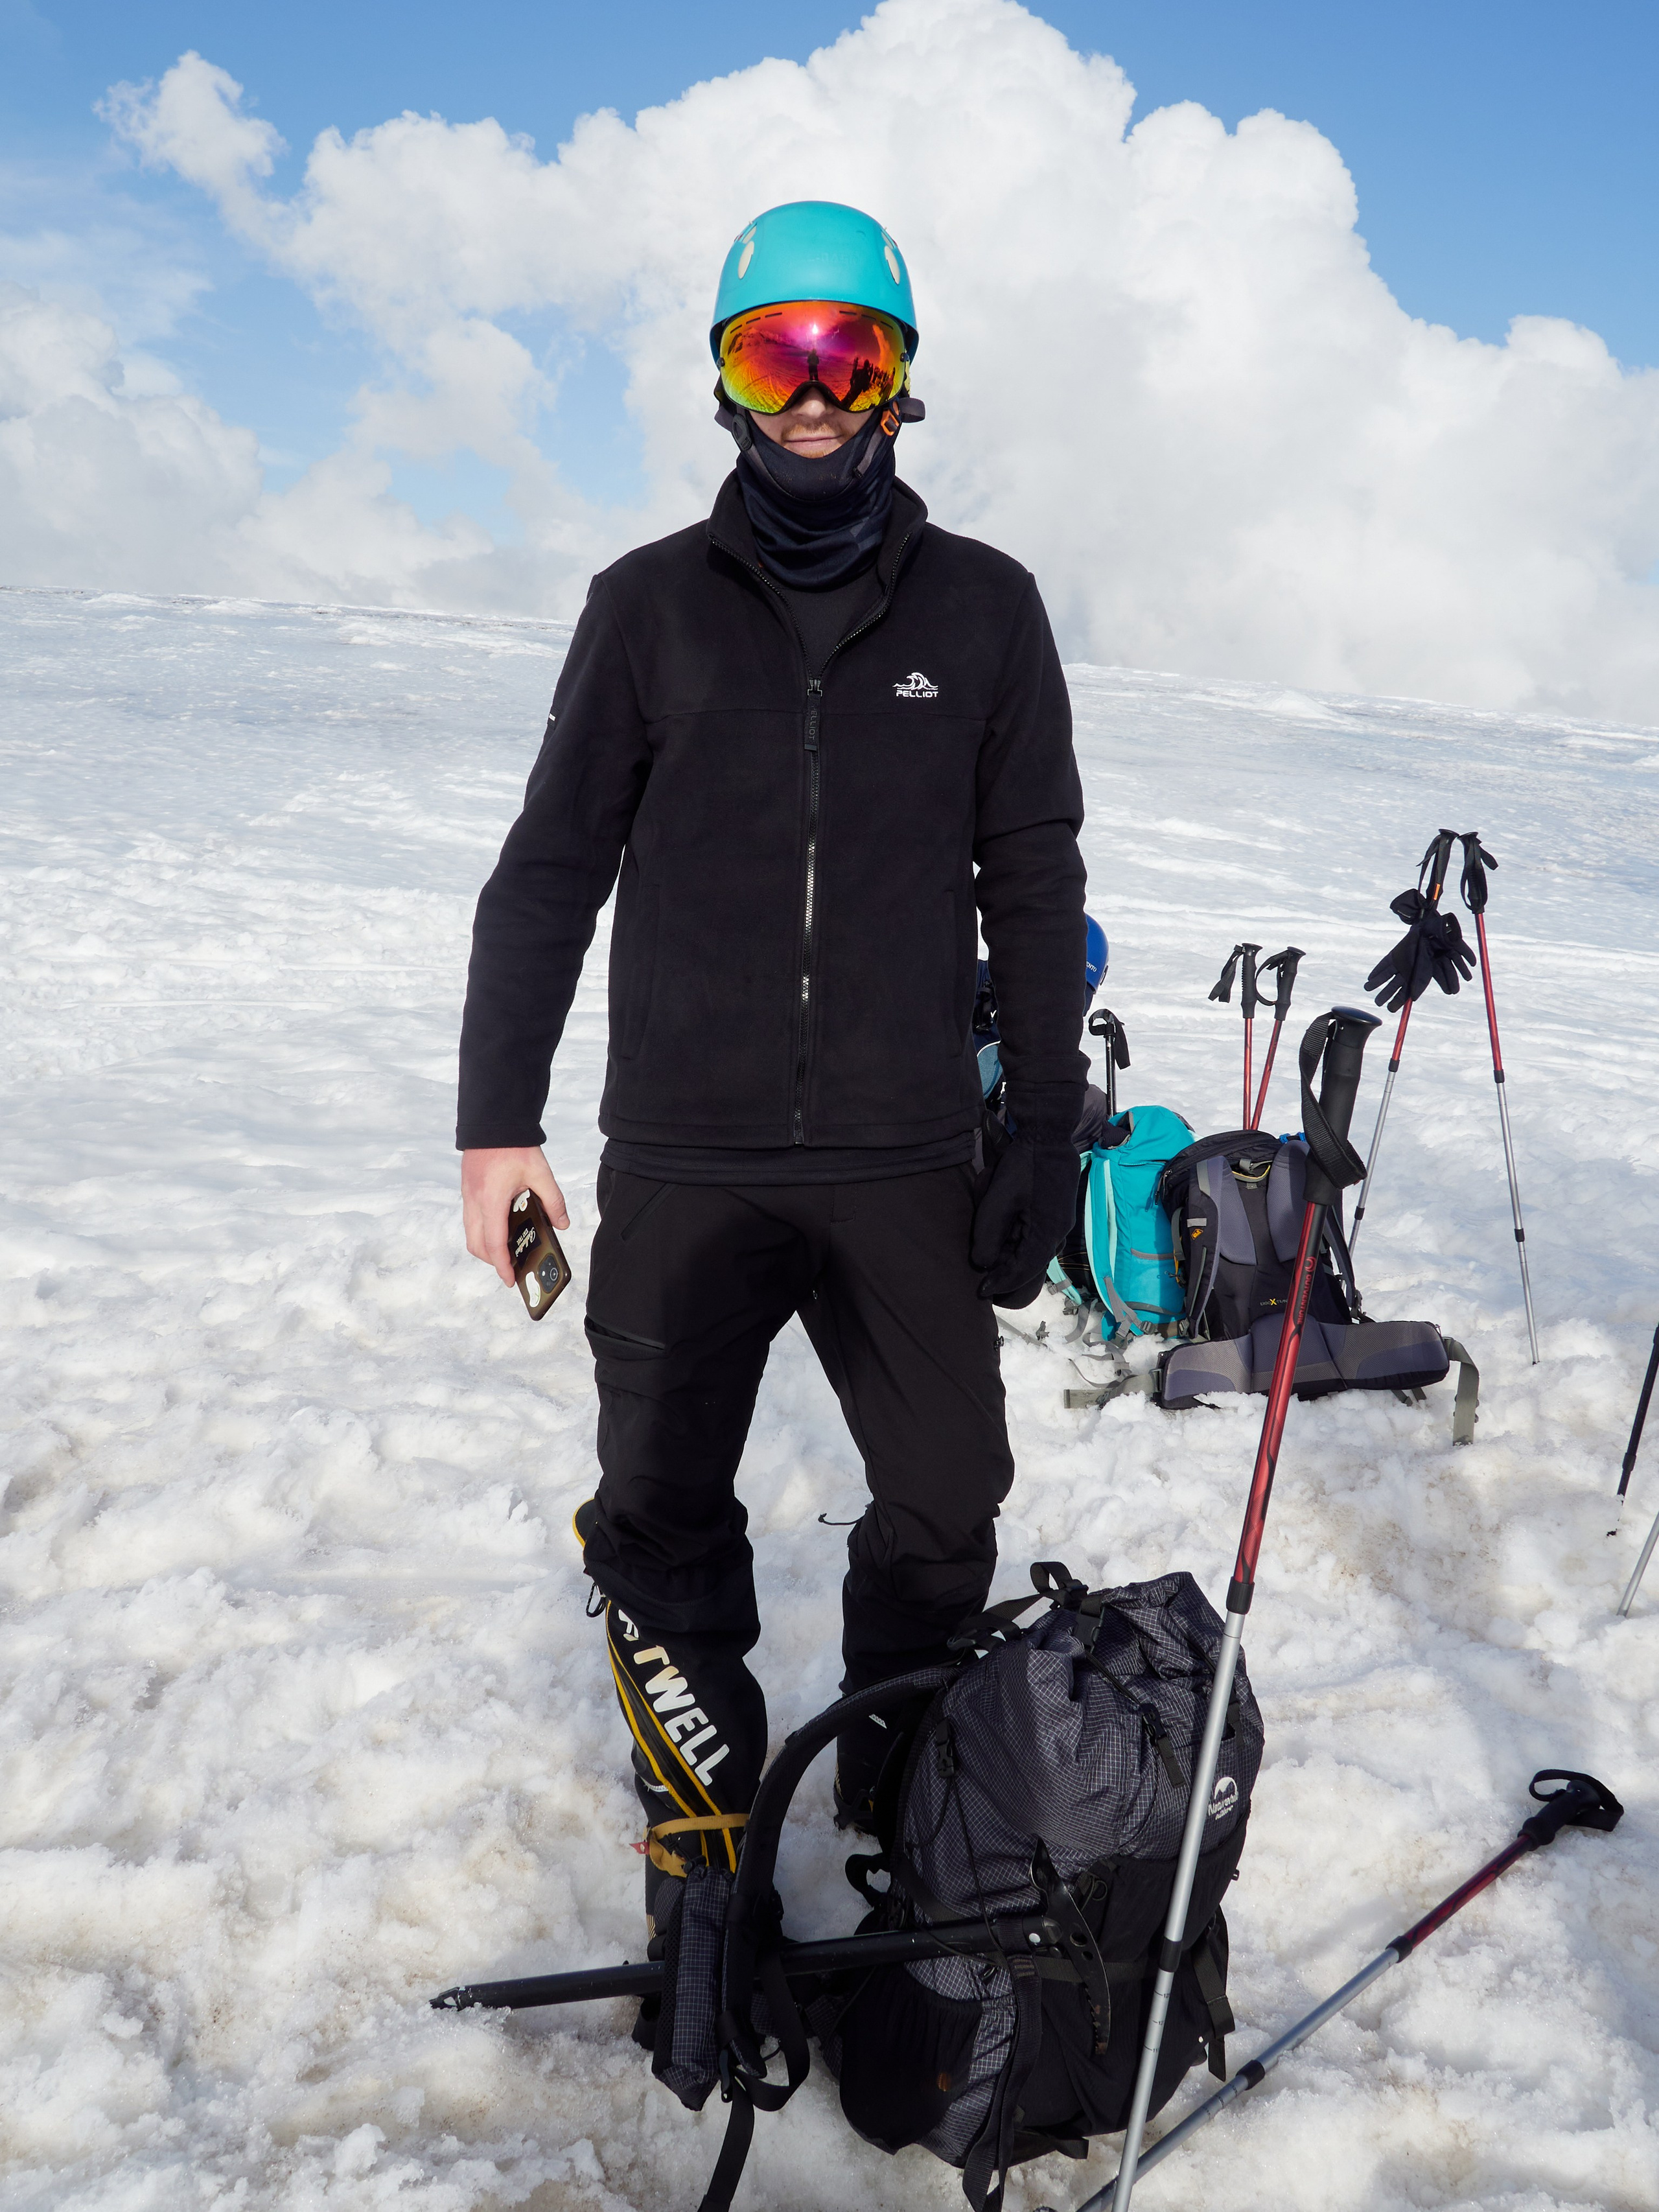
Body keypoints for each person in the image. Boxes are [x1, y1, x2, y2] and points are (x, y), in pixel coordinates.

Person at [456, 201, 1087, 1945]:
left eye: (848, 355)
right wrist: (496, 1126)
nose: (813, 394)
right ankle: (704, 1852)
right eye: (774, 353)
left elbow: (1035, 880)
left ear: (899, 380)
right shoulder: (647, 606)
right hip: (687, 1156)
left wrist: (1043, 1126)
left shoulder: (988, 608)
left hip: (904, 1155)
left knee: (947, 1502)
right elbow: (549, 871)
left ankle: (902, 1794)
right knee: (661, 1518)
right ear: (727, 382)